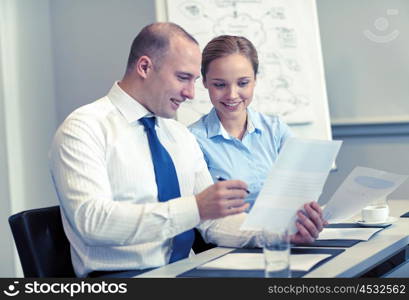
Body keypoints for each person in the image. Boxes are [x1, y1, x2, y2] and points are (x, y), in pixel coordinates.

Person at [49, 23, 325, 278]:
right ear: (145, 67)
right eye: (183, 78)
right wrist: (194, 207)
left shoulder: (178, 135)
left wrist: (278, 233)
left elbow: (214, 223)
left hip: (185, 271)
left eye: (195, 80)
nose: (191, 93)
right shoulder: (84, 128)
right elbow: (93, 222)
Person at [189, 35, 326, 227]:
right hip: (231, 245)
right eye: (220, 85)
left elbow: (301, 189)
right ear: (204, 82)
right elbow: (207, 220)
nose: (232, 95)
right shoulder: (193, 141)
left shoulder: (276, 129)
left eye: (243, 83)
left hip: (286, 235)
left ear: (255, 80)